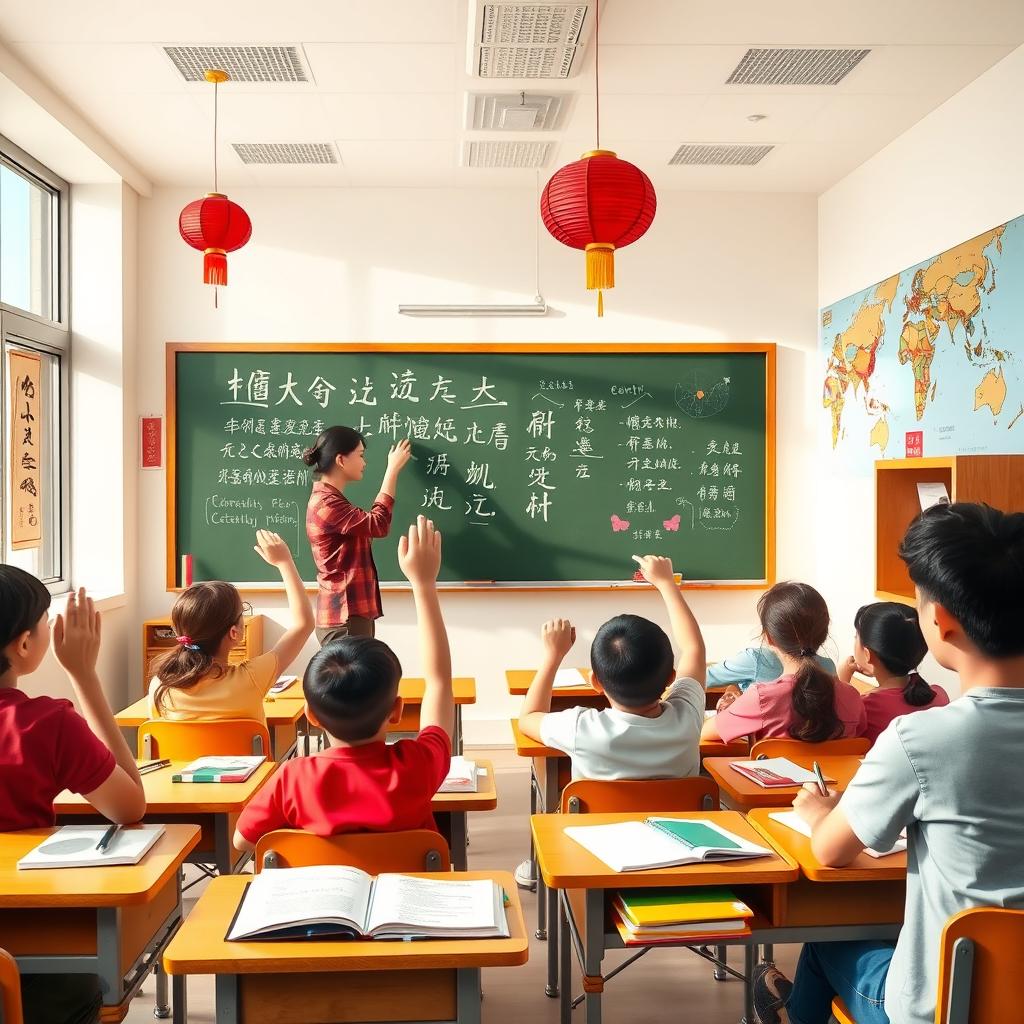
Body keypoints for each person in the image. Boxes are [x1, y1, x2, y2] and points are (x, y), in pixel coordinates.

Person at [753, 502, 1024, 1024]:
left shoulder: (921, 738)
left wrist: (818, 814)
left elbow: (831, 852)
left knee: (828, 942)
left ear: (939, 621)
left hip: (946, 1008)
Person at [233, 515, 452, 851]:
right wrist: (423, 585)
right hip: (403, 900)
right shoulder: (416, 767)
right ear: (396, 710)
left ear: (312, 715)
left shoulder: (293, 779)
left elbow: (242, 841)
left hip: (324, 903)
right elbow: (439, 682)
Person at [0, 570, 146, 1024]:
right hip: (27, 949)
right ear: (24, 645)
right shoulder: (44, 723)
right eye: (45, 620)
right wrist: (83, 675)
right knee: (88, 985)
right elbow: (129, 806)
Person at [515, 554, 706, 887]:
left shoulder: (581, 729)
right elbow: (693, 648)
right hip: (681, 861)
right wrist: (665, 583)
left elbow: (529, 717)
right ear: (670, 678)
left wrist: (552, 656)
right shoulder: (688, 717)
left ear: (596, 683)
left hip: (597, 865)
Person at [148, 530, 313, 723]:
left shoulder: (161, 685)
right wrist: (285, 562)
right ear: (234, 632)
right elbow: (304, 624)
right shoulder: (251, 678)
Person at [701, 581, 865, 745]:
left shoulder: (761, 698)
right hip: (833, 771)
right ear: (824, 634)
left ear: (769, 638)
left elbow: (703, 733)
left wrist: (731, 708)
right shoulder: (852, 698)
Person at [303, 426, 412, 645]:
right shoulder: (326, 503)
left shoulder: (332, 500)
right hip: (343, 618)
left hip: (350, 614)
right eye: (360, 456)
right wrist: (391, 470)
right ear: (341, 460)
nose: (364, 463)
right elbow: (378, 524)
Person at [840, 601, 949, 744]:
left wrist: (843, 680)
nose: (854, 639)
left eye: (856, 636)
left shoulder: (866, 707)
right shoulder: (939, 696)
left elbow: (839, 735)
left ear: (868, 655)